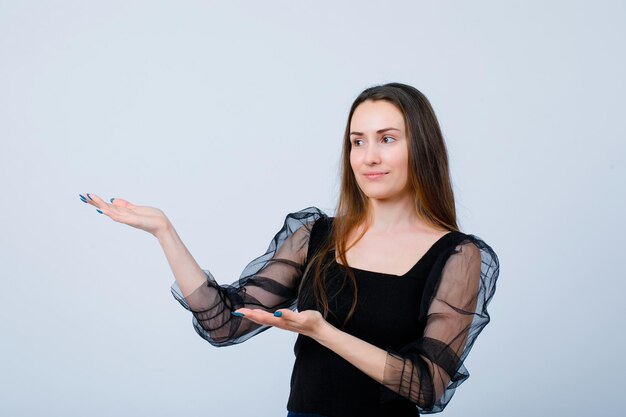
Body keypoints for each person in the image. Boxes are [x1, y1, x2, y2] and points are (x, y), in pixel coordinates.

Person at [79, 82, 500, 417]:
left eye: (387, 139)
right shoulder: (315, 235)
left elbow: (426, 387)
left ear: (420, 147)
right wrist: (164, 232)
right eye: (357, 142)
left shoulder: (457, 256)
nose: (369, 156)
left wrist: (322, 332)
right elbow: (223, 323)